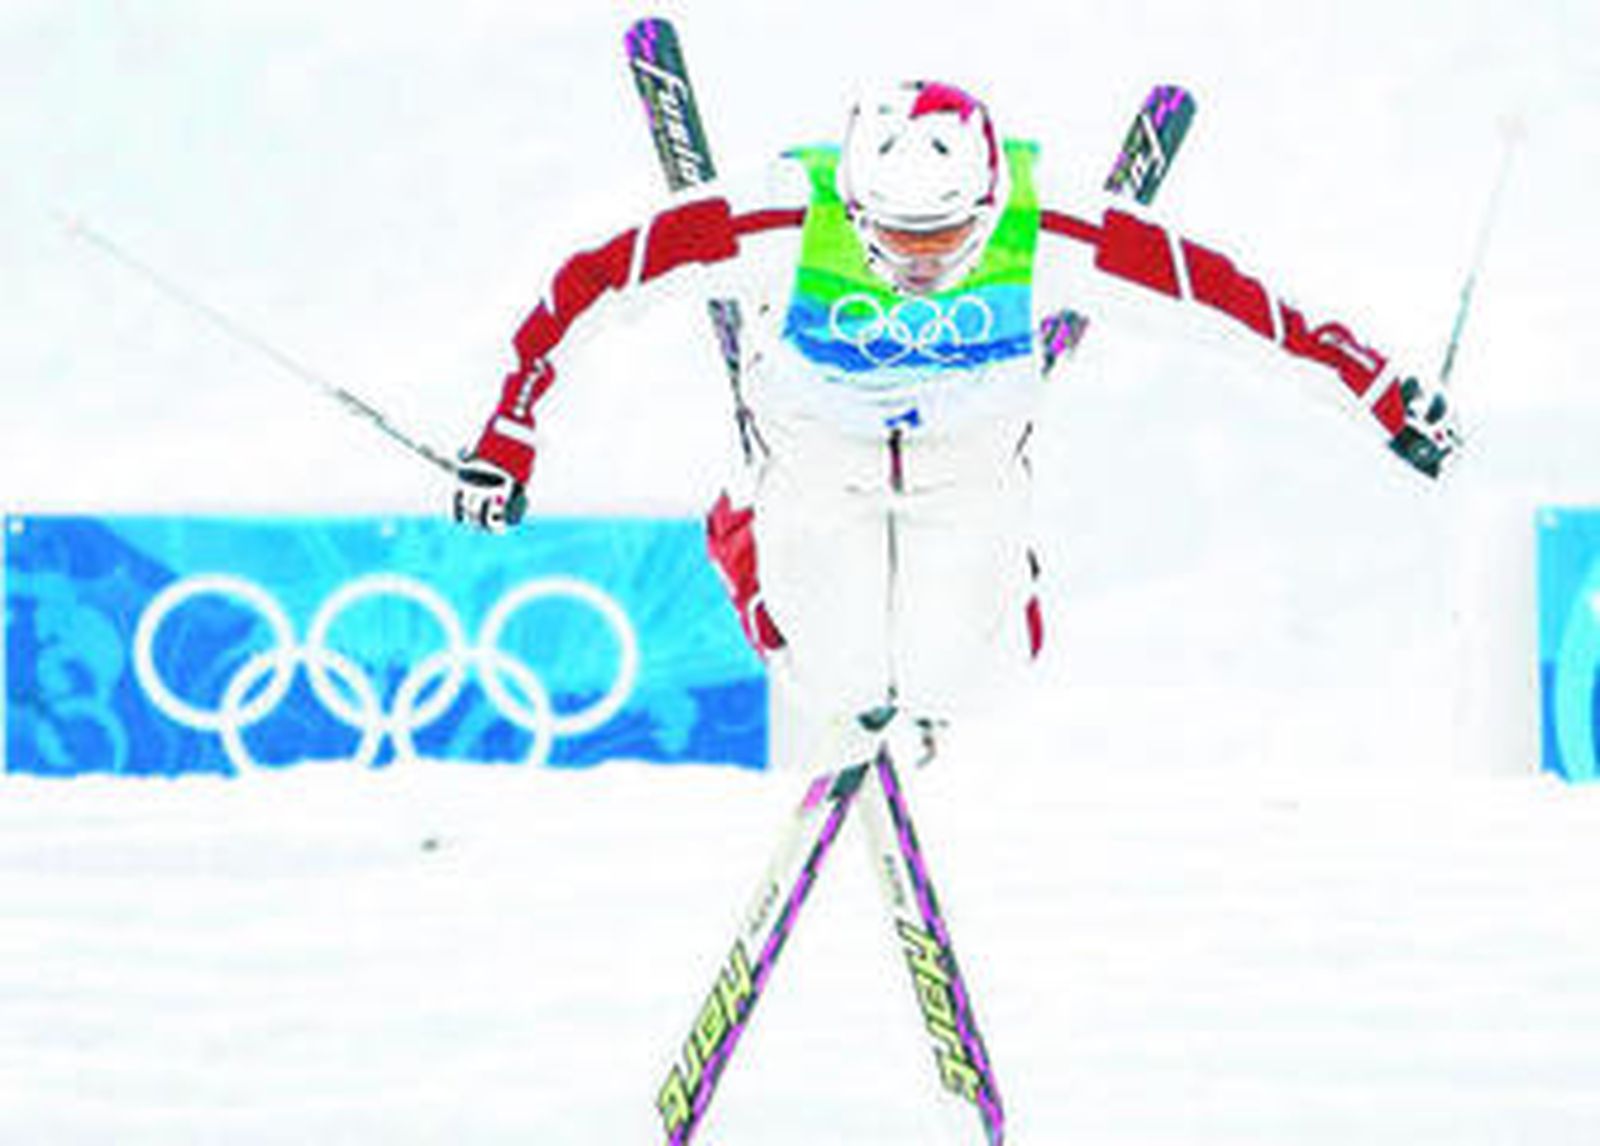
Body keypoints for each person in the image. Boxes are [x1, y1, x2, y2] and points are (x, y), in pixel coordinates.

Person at [452, 79, 1461, 766]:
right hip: (815, 452)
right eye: (895, 234)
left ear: (986, 200)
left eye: (945, 234)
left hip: (968, 461)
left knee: (973, 682)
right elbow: (591, 285)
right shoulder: (773, 216)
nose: (923, 258)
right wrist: (509, 432)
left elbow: (1239, 311)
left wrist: (1378, 394)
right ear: (852, 205)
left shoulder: (1055, 227)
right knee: (832, 682)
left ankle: (970, 617)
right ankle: (739, 528)